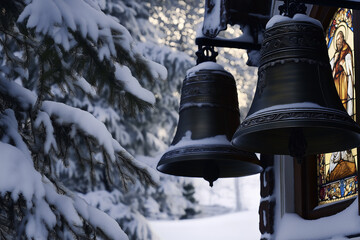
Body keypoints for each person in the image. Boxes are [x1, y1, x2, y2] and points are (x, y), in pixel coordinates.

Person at [330, 31, 354, 115]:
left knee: (343, 102)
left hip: (344, 81)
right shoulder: (336, 54)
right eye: (336, 40)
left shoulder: (347, 51)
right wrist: (335, 60)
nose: (337, 42)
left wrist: (344, 64)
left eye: (339, 39)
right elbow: (330, 76)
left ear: (343, 39)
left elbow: (350, 72)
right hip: (336, 82)